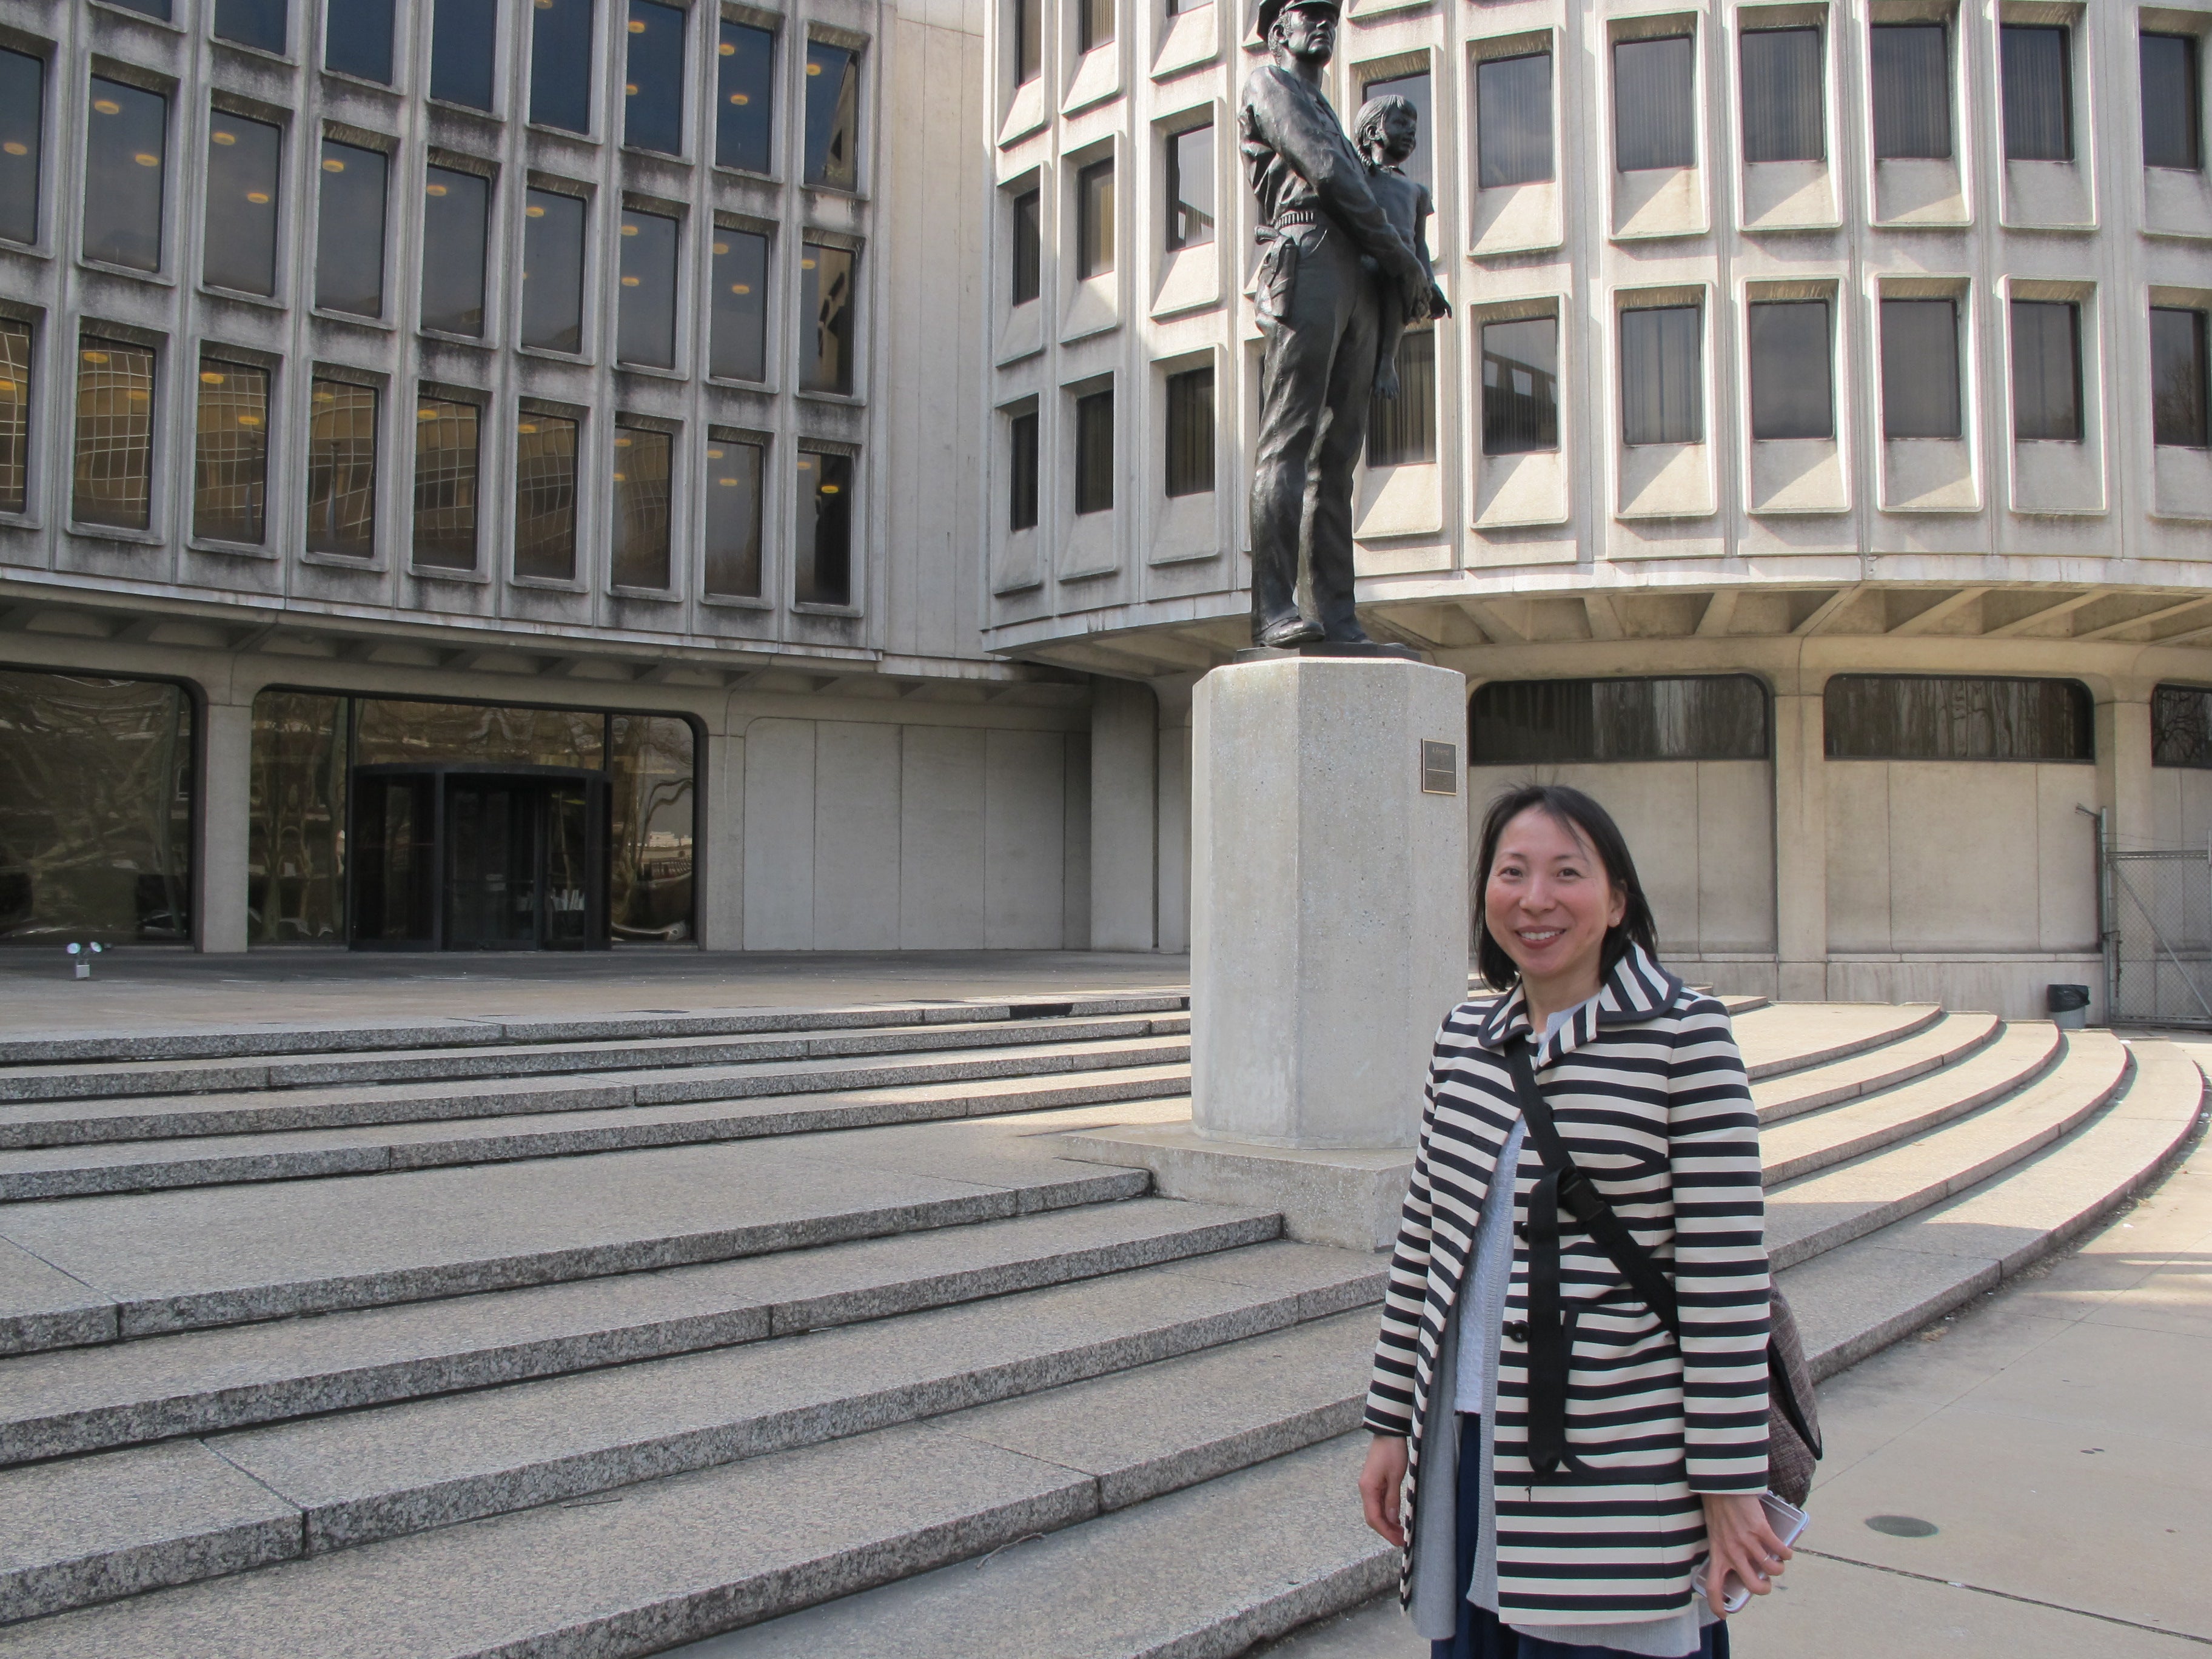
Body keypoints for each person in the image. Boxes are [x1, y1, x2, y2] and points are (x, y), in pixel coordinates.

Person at [1356, 783, 1789, 1659]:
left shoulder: (1683, 1036)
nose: (1536, 900)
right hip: (1470, 1442)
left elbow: (1724, 1280)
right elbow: (1425, 1243)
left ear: (1617, 898)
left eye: (1567, 873)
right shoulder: (1468, 1039)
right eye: (1512, 873)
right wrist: (1388, 1423)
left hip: (1622, 1460)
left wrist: (1729, 1481)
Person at [1239, 0, 1432, 648]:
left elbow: (1348, 170)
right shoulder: (1271, 85)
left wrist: (1398, 266)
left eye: (1329, 13)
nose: (1320, 22)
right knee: (1288, 439)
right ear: (1277, 32)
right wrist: (1404, 259)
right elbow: (1323, 170)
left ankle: (1338, 616)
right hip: (1309, 252)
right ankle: (1273, 608)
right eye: (1305, 12)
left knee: (1337, 458)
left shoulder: (1336, 118)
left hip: (1356, 270)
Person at [1349, 94, 1449, 403]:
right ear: (1372, 133)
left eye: (1414, 128)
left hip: (1400, 266)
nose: (1410, 132)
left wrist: (1430, 284)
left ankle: (1387, 361)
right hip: (1364, 258)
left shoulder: (1416, 191)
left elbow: (1420, 242)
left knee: (1402, 272)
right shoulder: (1358, 176)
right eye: (1401, 124)